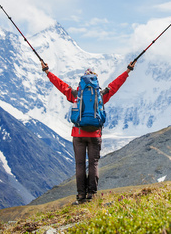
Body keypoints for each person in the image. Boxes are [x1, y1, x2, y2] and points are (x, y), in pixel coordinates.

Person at [41, 60, 136, 204]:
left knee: (80, 165)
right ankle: (91, 195)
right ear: (95, 81)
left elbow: (60, 84)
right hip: (95, 134)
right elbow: (115, 85)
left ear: (83, 82)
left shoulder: (76, 94)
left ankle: (80, 196)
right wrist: (128, 70)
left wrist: (47, 72)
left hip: (78, 134)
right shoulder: (101, 95)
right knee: (94, 164)